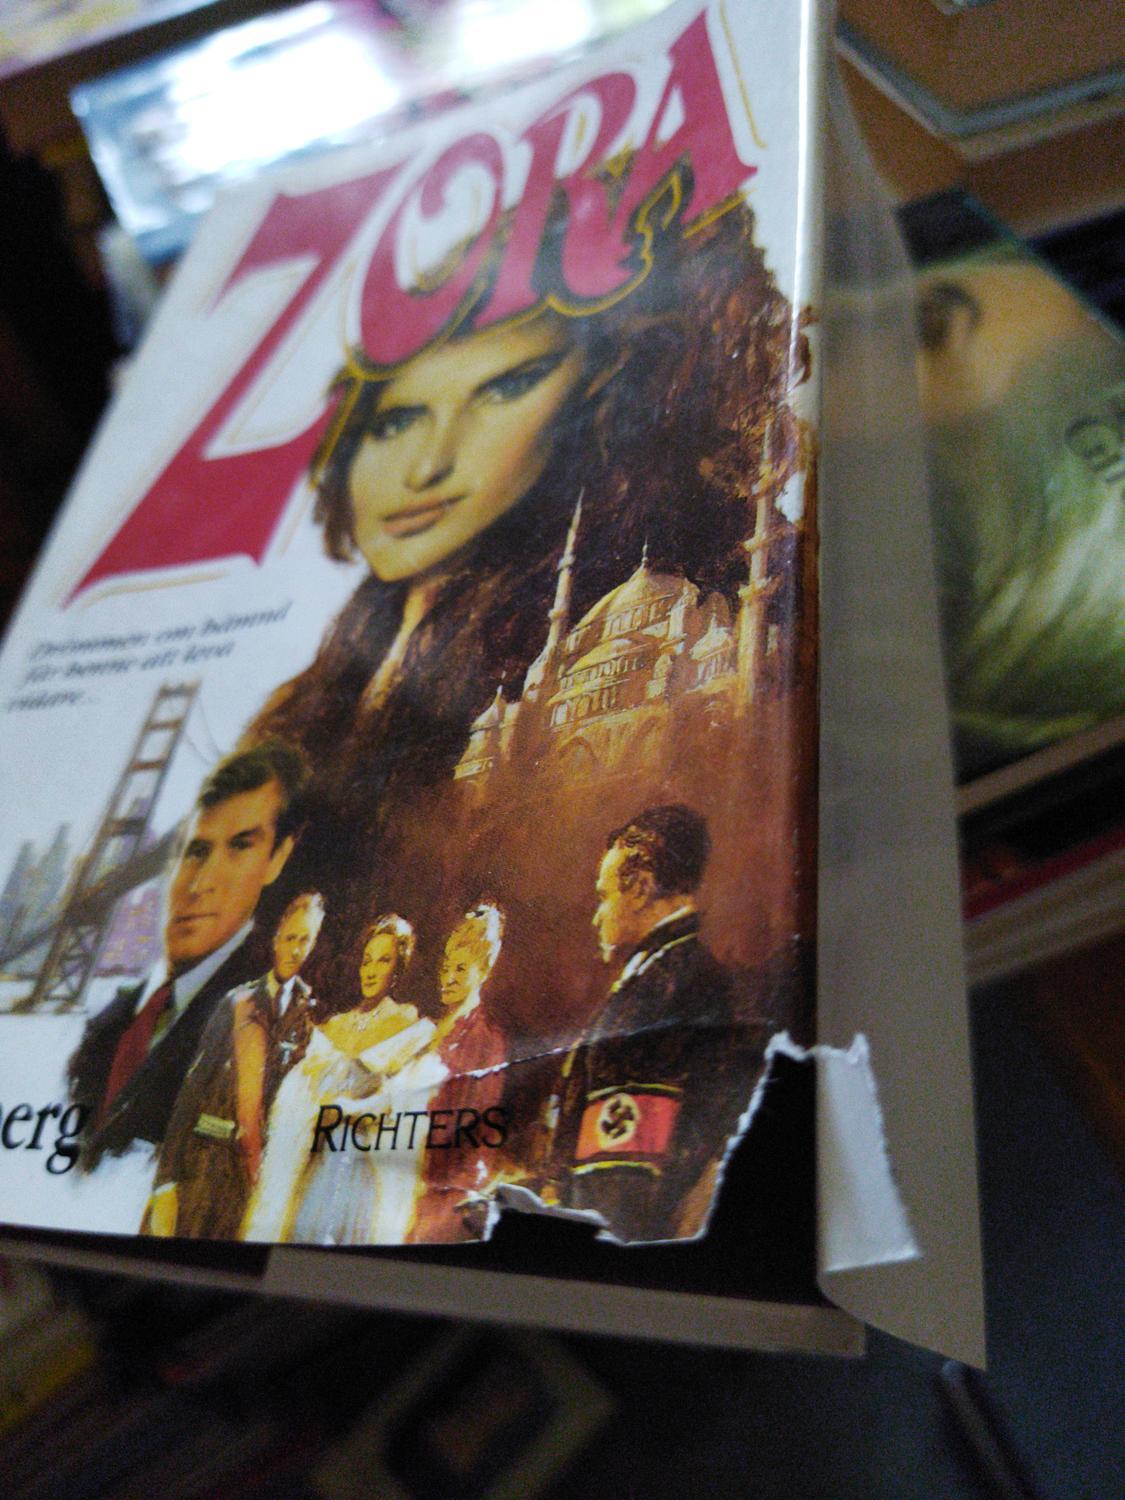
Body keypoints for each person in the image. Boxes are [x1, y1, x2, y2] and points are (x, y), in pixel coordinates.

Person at [242, 197, 807, 1015]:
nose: (428, 465)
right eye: (397, 420)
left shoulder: (517, 652)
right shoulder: (328, 674)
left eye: (504, 389)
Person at [67, 739, 309, 1168]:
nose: (200, 884)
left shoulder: (259, 1019)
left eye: (240, 846)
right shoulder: (110, 1023)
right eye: (195, 851)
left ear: (279, 857)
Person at [544, 805, 745, 1243]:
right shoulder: (670, 973)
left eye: (603, 896)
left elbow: (621, 1175)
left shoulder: (661, 990)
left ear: (639, 888)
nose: (597, 915)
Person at [143, 891, 326, 1239]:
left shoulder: (307, 1016)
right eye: (290, 938)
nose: (295, 950)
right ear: (276, 939)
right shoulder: (237, 1003)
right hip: (203, 1165)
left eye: (305, 940)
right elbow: (193, 1087)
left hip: (248, 1180)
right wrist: (166, 1179)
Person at [242, 913, 433, 1244]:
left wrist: (351, 1112)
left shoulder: (408, 1025)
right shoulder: (334, 1025)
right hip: (314, 1159)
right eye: (367, 960)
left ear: (398, 968)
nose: (371, 970)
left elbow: (401, 1106)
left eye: (383, 960)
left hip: (357, 1165)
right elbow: (297, 1096)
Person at [408, 902, 508, 1243]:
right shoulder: (429, 1031)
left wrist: (454, 1197)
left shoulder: (486, 1038)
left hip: (442, 1194)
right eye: (446, 966)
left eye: (461, 968)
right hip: (404, 1179)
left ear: (484, 969)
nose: (448, 977)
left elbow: (480, 1131)